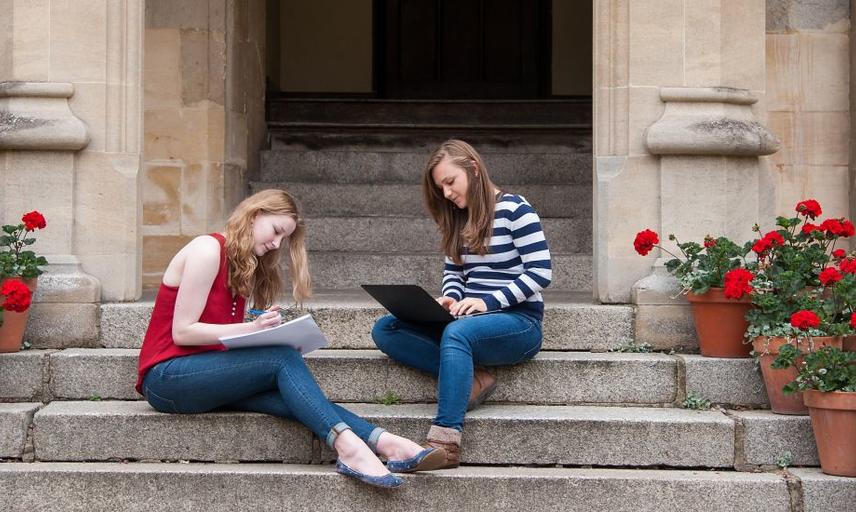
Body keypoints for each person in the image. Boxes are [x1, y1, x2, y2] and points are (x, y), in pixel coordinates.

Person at [136, 189, 444, 488]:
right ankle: (350, 450)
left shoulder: (243, 265)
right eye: (276, 231)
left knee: (293, 391)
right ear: (255, 215)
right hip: (166, 377)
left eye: (283, 238)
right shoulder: (207, 250)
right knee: (282, 359)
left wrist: (265, 333)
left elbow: (218, 339)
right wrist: (252, 330)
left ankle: (386, 443)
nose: (276, 243)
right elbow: (183, 331)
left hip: (201, 373)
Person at [372, 139, 552, 469]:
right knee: (386, 328)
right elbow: (455, 271)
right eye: (441, 188)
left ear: (472, 168)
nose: (447, 194)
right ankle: (473, 378)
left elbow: (541, 272)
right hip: (469, 322)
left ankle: (445, 443)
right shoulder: (458, 220)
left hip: (519, 323)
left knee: (457, 335)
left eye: (450, 182)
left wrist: (487, 303)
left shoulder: (516, 210)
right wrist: (451, 297)